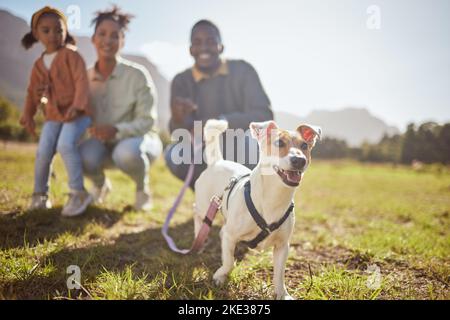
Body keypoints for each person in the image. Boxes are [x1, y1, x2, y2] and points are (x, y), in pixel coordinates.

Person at [165, 19, 273, 189]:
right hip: (202, 148)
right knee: (175, 153)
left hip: (239, 142)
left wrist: (218, 123)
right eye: (197, 42)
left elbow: (264, 115)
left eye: (211, 41)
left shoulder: (243, 70)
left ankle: (245, 196)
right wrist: (178, 119)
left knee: (250, 147)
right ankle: (206, 197)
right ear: (190, 49)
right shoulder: (181, 80)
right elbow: (176, 131)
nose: (204, 48)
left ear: (221, 46)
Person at [79, 6, 162, 211]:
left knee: (126, 153)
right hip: (101, 144)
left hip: (138, 143)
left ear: (122, 41)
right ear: (93, 39)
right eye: (102, 34)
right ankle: (100, 186)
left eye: (115, 36)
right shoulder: (83, 78)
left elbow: (147, 121)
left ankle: (142, 192)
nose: (107, 40)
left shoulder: (138, 75)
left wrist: (116, 129)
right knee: (79, 154)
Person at [19, 6, 93, 217]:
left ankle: (78, 193)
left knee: (65, 145)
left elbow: (82, 82)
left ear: (65, 32)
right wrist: (28, 114)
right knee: (43, 152)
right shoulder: (38, 65)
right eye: (46, 30)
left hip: (77, 114)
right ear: (36, 34)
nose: (53, 35)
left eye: (58, 30)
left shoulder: (71, 56)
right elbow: (32, 92)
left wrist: (77, 106)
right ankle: (39, 195)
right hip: (53, 116)